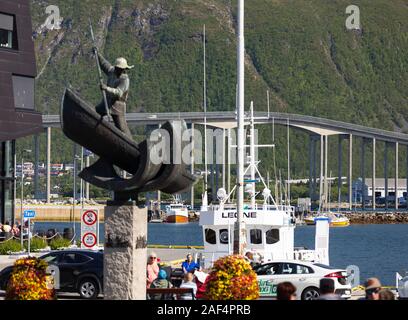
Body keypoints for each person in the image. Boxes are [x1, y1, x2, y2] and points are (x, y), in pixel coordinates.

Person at [93, 49, 133, 138]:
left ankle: (130, 142)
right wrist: (97, 54)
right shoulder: (112, 71)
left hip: (118, 105)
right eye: (118, 68)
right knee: (96, 112)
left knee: (121, 127)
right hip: (107, 101)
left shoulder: (125, 80)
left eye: (122, 69)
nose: (120, 70)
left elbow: (118, 92)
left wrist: (106, 88)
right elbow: (104, 64)